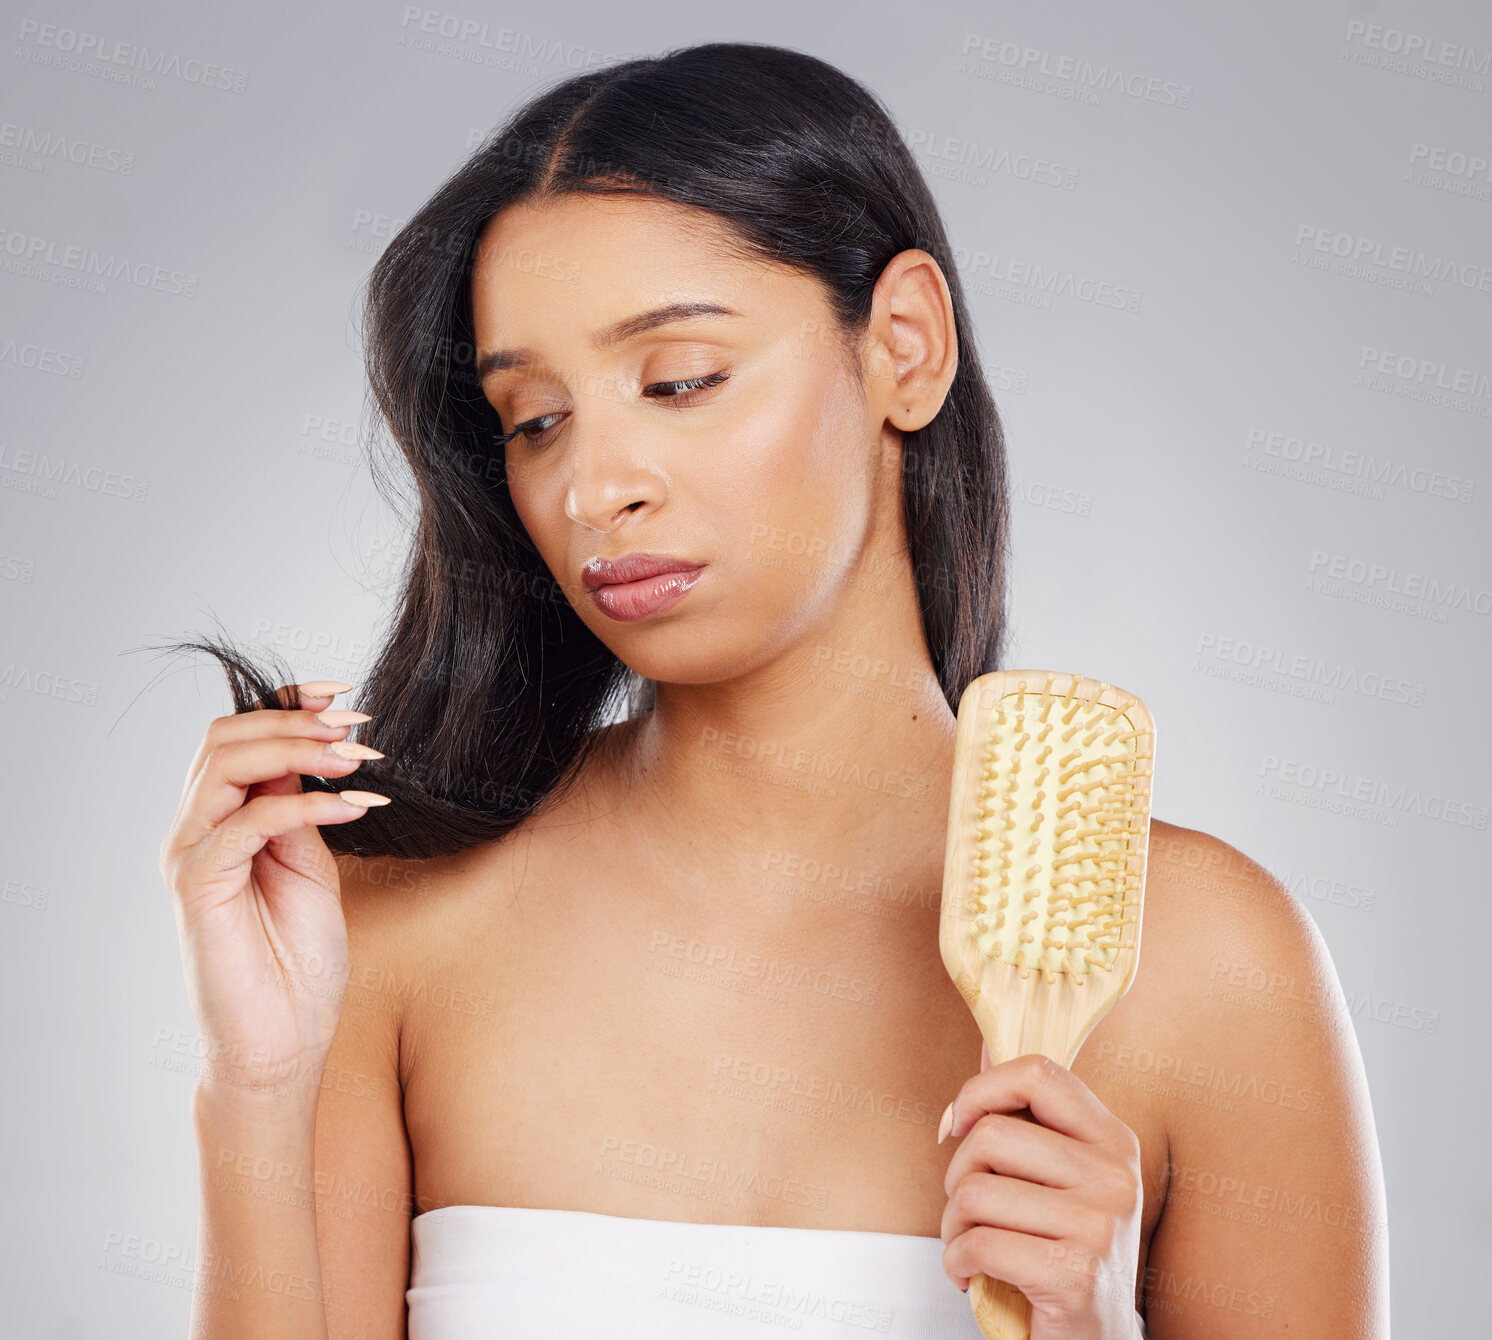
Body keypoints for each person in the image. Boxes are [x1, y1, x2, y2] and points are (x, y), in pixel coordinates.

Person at [157, 40, 1389, 1339]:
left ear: (903, 346)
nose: (596, 487)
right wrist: (256, 1087)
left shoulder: (1203, 964)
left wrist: (1081, 1327)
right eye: (536, 420)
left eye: (679, 380)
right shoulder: (394, 929)